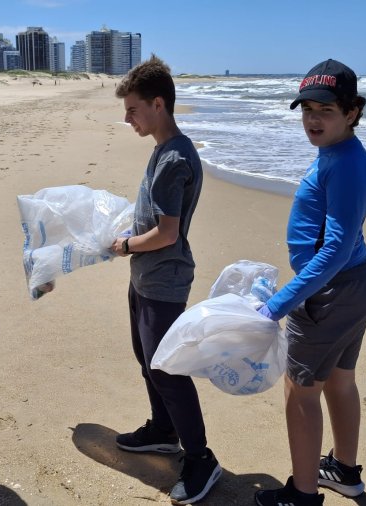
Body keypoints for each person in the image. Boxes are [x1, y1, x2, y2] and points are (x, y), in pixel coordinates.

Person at [253, 60, 366, 506]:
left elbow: (335, 251)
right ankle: (344, 471)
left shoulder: (346, 164)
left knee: (300, 388)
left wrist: (277, 304)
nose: (313, 119)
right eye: (307, 109)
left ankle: (303, 494)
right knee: (339, 379)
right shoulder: (337, 152)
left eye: (326, 110)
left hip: (332, 291)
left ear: (352, 112)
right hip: (355, 283)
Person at [110, 56, 221, 504]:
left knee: (167, 369)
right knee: (147, 359)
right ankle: (163, 429)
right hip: (146, 275)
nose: (127, 119)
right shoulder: (163, 149)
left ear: (158, 104)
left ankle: (201, 458)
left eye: (133, 110)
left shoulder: (175, 158)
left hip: (163, 279)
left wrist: (126, 245)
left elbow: (168, 233)